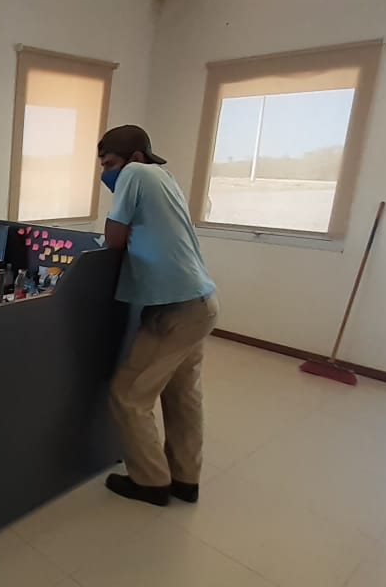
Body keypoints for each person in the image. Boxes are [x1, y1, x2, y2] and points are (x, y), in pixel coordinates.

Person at [98, 125, 218, 507]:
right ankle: (185, 479)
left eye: (110, 164)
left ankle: (150, 482)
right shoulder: (165, 179)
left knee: (128, 395)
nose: (106, 173)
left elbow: (114, 238)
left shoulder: (136, 173)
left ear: (135, 157)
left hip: (175, 309)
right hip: (201, 302)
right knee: (183, 395)